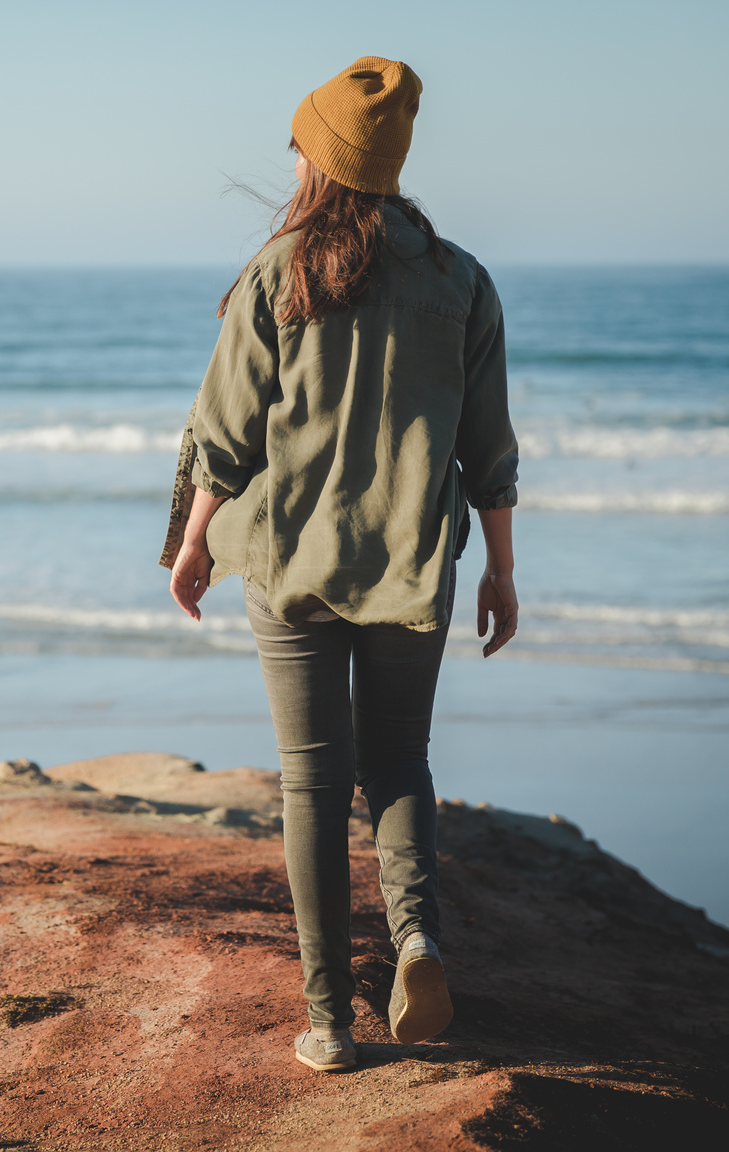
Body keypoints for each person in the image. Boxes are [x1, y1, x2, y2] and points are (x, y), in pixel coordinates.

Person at [160, 56, 519, 1072]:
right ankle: (417, 941)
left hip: (290, 566)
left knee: (313, 787)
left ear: (319, 158)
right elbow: (487, 447)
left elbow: (224, 437)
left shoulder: (281, 274)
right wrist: (499, 569)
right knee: (400, 762)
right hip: (416, 564)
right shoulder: (461, 279)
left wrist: (191, 546)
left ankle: (329, 1022)